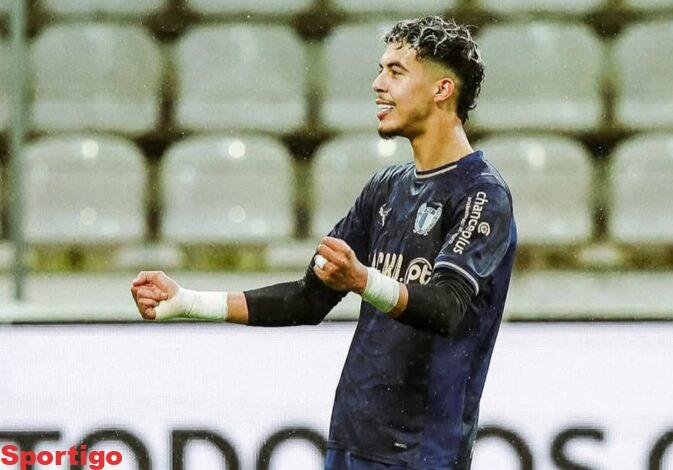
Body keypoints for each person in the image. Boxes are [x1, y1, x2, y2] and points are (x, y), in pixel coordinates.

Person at [131, 16, 517, 470]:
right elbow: (308, 299)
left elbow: (447, 308)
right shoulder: (386, 188)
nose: (377, 84)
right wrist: (188, 301)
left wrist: (363, 280)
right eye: (380, 70)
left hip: (422, 453)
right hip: (351, 439)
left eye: (395, 72)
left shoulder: (481, 194)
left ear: (442, 89)